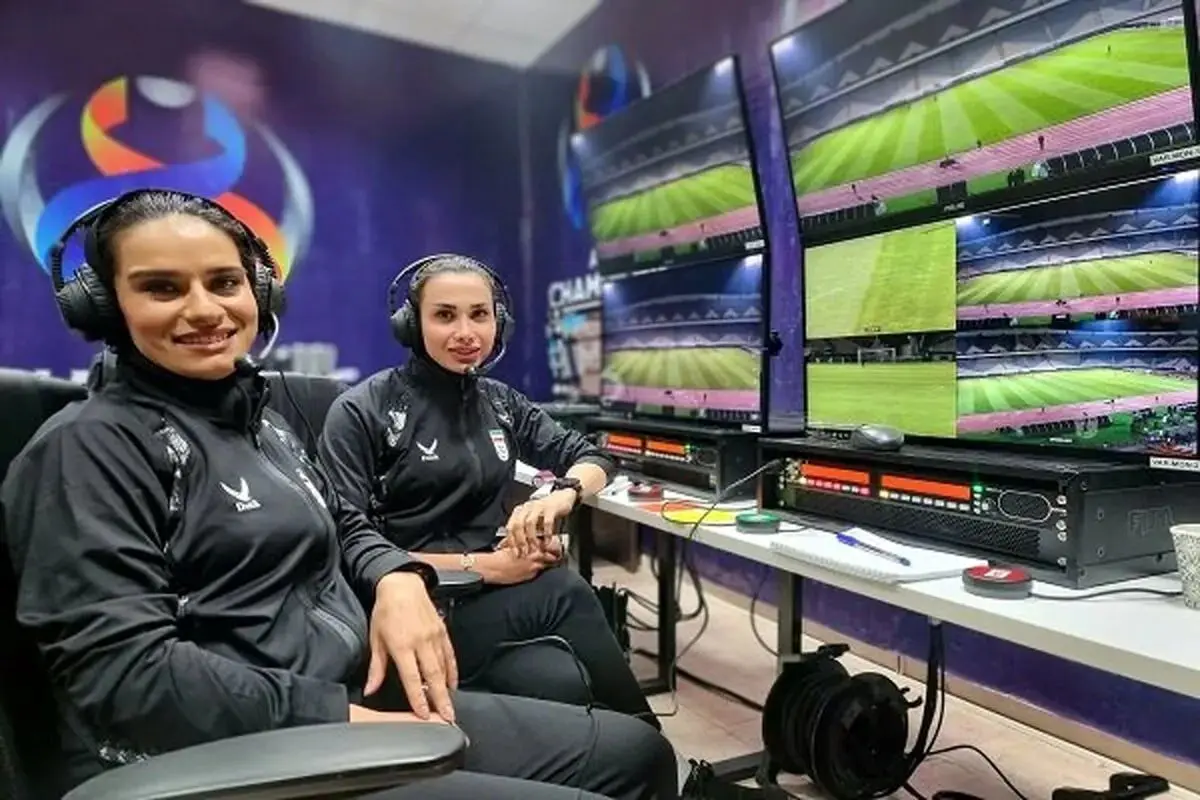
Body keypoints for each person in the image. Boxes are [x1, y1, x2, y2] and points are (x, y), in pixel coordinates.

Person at [1, 189, 676, 800]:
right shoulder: (87, 449)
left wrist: (395, 578)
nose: (204, 309)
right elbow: (126, 676)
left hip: (343, 683)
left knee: (636, 754)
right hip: (243, 747)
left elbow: (344, 523)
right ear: (104, 306)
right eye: (161, 288)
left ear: (258, 290)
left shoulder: (261, 425)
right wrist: (339, 717)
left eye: (224, 282)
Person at [318, 254, 657, 726]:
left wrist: (562, 494)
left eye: (479, 314)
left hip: (481, 599)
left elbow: (594, 457)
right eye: (445, 315)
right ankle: (652, 739)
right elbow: (345, 544)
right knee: (565, 592)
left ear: (500, 322)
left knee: (563, 680)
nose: (466, 333)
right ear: (411, 325)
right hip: (406, 614)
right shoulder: (363, 410)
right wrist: (488, 567)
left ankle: (628, 751)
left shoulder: (499, 402)